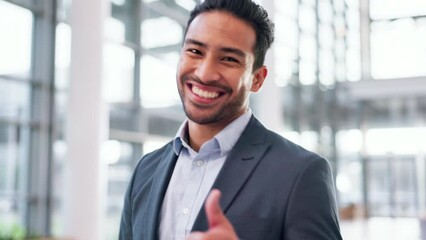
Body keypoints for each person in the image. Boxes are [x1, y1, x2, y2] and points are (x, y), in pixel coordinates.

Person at [119, 0, 343, 239]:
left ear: (257, 79)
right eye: (195, 51)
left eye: (228, 59)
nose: (204, 73)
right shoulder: (146, 169)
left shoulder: (300, 173)